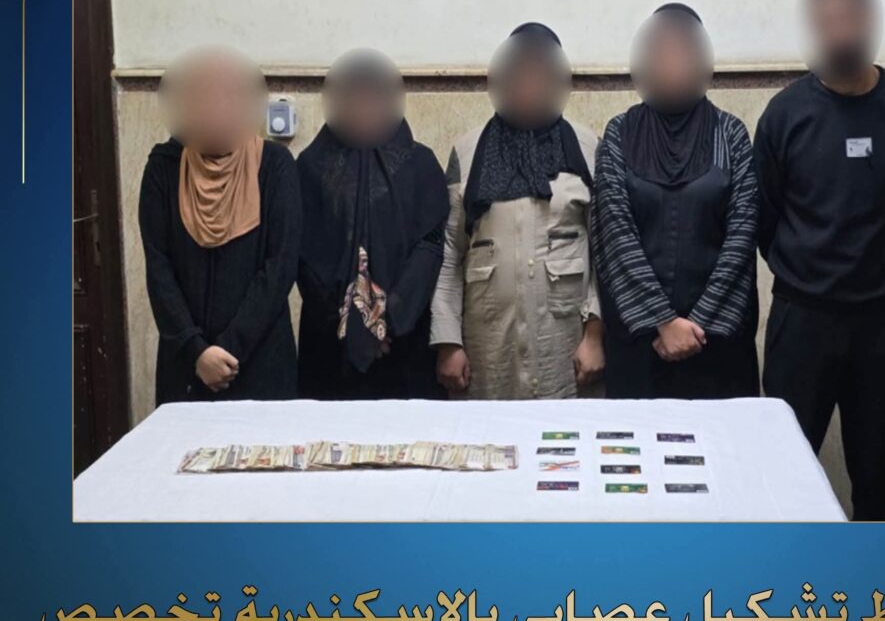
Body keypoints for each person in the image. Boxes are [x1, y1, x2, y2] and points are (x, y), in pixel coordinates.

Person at [754, 0, 885, 520]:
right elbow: (765, 217)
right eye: (827, 21)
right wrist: (809, 272)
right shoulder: (785, 114)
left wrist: (873, 270)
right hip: (800, 321)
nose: (840, 32)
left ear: (869, 22)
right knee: (783, 483)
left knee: (876, 487)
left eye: (850, 18)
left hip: (878, 326)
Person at [593, 3, 759, 399]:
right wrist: (663, 322)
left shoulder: (730, 134)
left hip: (716, 344)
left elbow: (743, 233)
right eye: (662, 52)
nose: (672, 62)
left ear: (702, 60)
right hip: (640, 344)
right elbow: (615, 232)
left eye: (684, 51)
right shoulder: (619, 133)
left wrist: (696, 325)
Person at [430, 22, 604, 400]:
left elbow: (604, 253)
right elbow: (449, 254)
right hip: (488, 352)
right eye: (521, 71)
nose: (530, 82)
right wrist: (448, 342)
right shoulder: (468, 151)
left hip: (566, 352)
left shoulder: (587, 147)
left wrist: (595, 336)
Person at [139, 46, 300, 405]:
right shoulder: (164, 167)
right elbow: (159, 268)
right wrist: (196, 351)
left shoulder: (275, 166)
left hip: (260, 362)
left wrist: (228, 350)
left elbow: (280, 267)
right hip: (187, 365)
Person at [296, 49, 448, 399]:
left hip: (404, 341)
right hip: (331, 346)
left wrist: (386, 318)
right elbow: (304, 254)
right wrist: (352, 324)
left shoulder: (420, 164)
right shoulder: (310, 167)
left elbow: (429, 246)